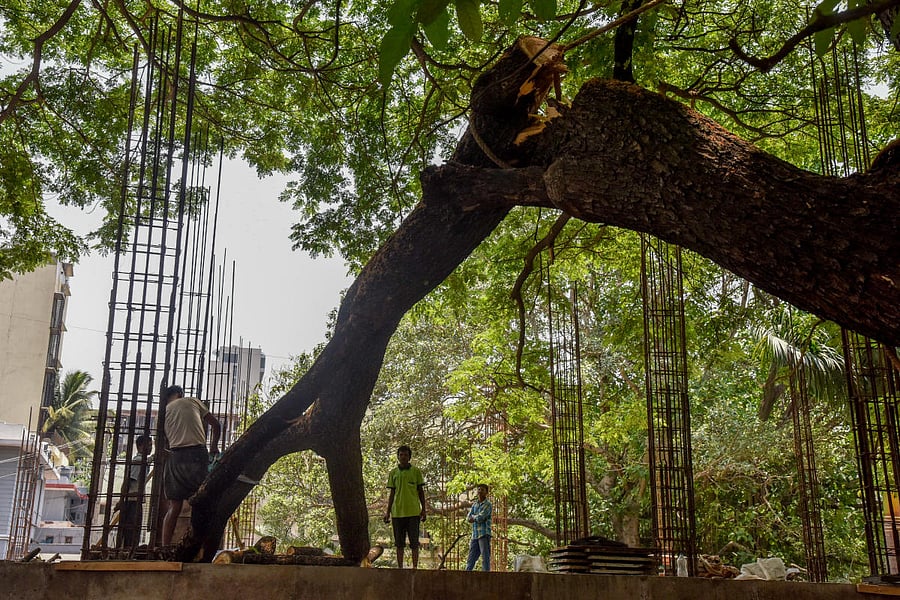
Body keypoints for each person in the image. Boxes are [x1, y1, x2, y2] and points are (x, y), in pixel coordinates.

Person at [160, 385, 220, 546]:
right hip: (196, 455)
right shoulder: (193, 401)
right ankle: (198, 543)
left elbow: (161, 443)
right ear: (180, 394)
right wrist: (213, 447)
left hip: (175, 457)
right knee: (200, 501)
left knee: (174, 507)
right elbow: (216, 425)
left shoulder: (164, 411)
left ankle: (165, 547)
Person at [383, 445, 426, 568]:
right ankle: (400, 567)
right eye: (401, 454)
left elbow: (420, 491)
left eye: (406, 455)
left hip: (413, 513)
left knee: (414, 543)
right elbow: (391, 493)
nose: (403, 457)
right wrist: (387, 512)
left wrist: (424, 509)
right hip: (397, 513)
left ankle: (415, 567)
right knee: (399, 543)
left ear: (409, 457)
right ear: (398, 456)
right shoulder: (393, 473)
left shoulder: (416, 472)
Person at [116, 434, 152, 549]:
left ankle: (128, 551)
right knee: (131, 532)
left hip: (133, 500)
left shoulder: (142, 461)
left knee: (132, 531)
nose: (151, 448)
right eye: (149, 445)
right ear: (140, 446)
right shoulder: (138, 462)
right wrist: (121, 500)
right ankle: (128, 552)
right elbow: (127, 481)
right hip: (132, 501)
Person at [465, 483, 492, 571]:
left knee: (485, 557)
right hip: (475, 535)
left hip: (484, 534)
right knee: (471, 557)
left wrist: (474, 517)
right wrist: (474, 517)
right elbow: (468, 518)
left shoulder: (488, 504)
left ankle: (486, 576)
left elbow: (481, 517)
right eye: (479, 489)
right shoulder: (475, 504)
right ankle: (466, 575)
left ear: (486, 492)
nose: (480, 491)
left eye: (482, 490)